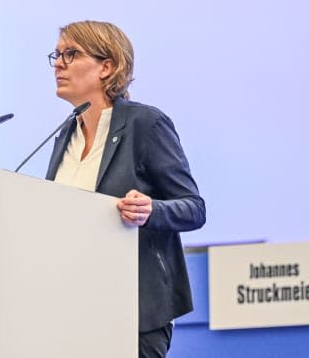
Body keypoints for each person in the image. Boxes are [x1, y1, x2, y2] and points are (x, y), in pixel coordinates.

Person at [45, 20, 205, 358]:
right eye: (56, 55)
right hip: (72, 310)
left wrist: (152, 210)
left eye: (71, 54)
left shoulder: (145, 125)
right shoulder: (65, 136)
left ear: (107, 66)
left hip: (134, 313)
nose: (59, 63)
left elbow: (193, 207)